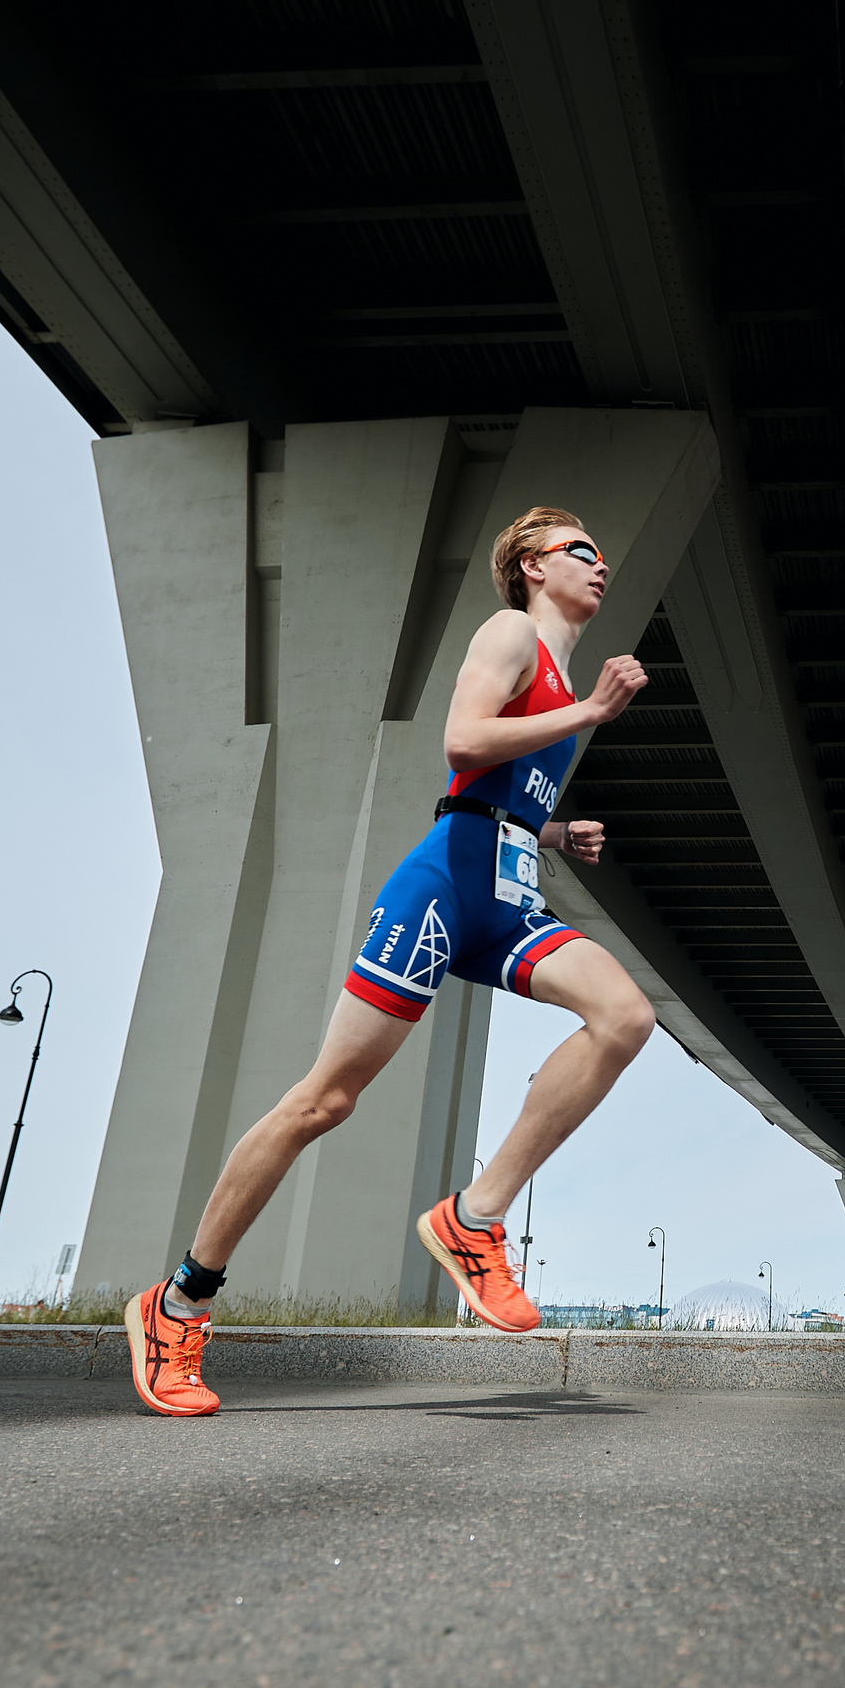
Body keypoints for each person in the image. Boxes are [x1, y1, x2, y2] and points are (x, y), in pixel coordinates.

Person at [124, 506, 658, 1415]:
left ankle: (473, 1217)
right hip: (442, 889)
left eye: (600, 551)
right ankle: (177, 1301)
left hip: (509, 894)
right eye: (580, 549)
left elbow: (499, 788)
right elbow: (460, 743)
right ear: (530, 563)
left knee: (624, 1015)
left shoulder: (561, 671)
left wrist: (556, 830)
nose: (599, 562)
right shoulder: (510, 633)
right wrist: (593, 711)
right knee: (323, 1101)